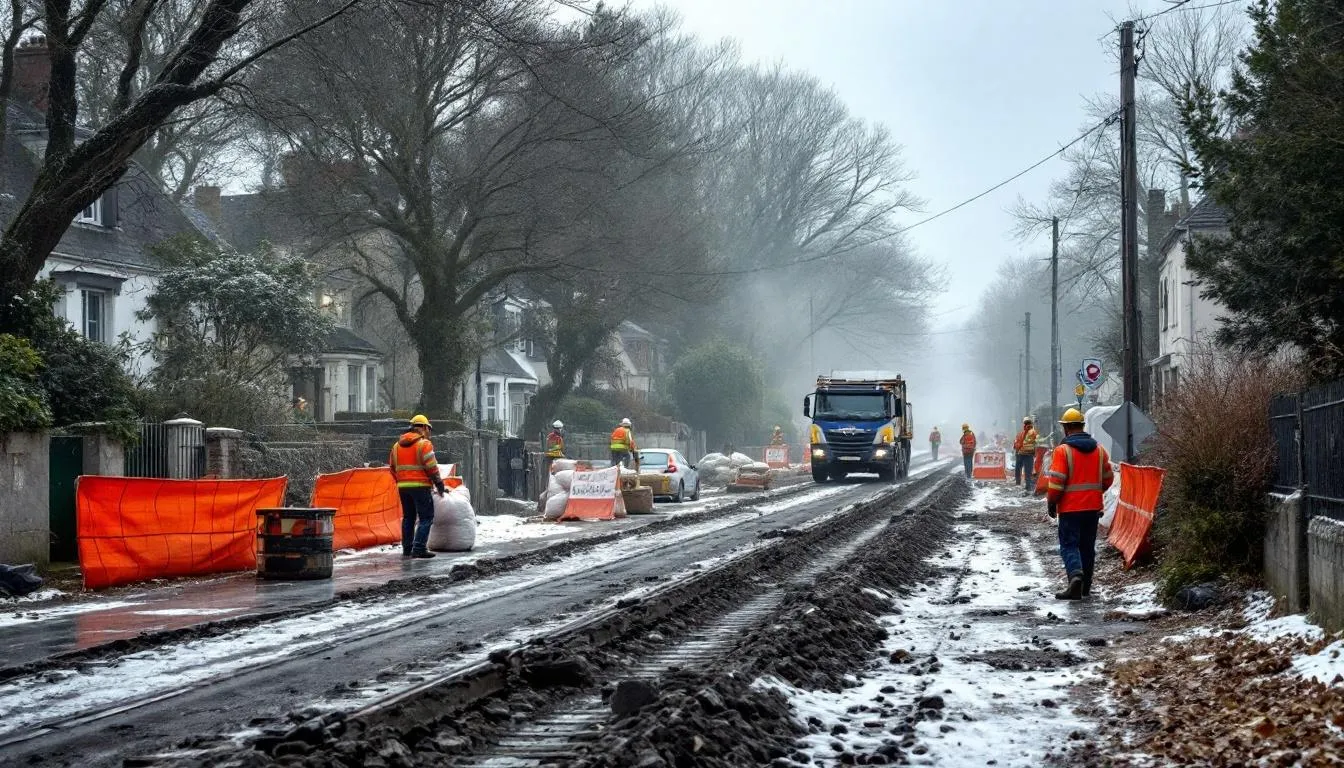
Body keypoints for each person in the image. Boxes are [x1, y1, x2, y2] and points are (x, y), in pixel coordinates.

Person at [1044, 407, 1114, 600]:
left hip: (1069, 509)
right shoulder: (1099, 450)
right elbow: (1108, 479)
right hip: (1092, 509)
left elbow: (1057, 482)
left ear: (1066, 428)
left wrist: (1052, 502)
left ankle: (1075, 576)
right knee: (1087, 546)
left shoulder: (1062, 451)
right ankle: (1085, 587)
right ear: (1082, 426)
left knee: (1069, 545)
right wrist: (1093, 494)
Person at [388, 414, 445, 559]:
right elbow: (432, 467)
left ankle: (407, 548)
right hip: (421, 487)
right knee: (426, 517)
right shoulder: (424, 444)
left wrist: (401, 481)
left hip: (403, 488)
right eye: (429, 429)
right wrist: (439, 484)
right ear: (425, 428)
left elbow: (392, 468)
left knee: (408, 517)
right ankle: (419, 547)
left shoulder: (396, 446)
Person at [1013, 416, 1040, 488]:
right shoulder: (1033, 432)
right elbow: (1037, 441)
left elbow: (1016, 444)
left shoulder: (1021, 434)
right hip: (1029, 455)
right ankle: (1027, 486)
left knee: (1018, 469)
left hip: (1021, 454)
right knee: (1028, 471)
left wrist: (1017, 448)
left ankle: (1018, 484)